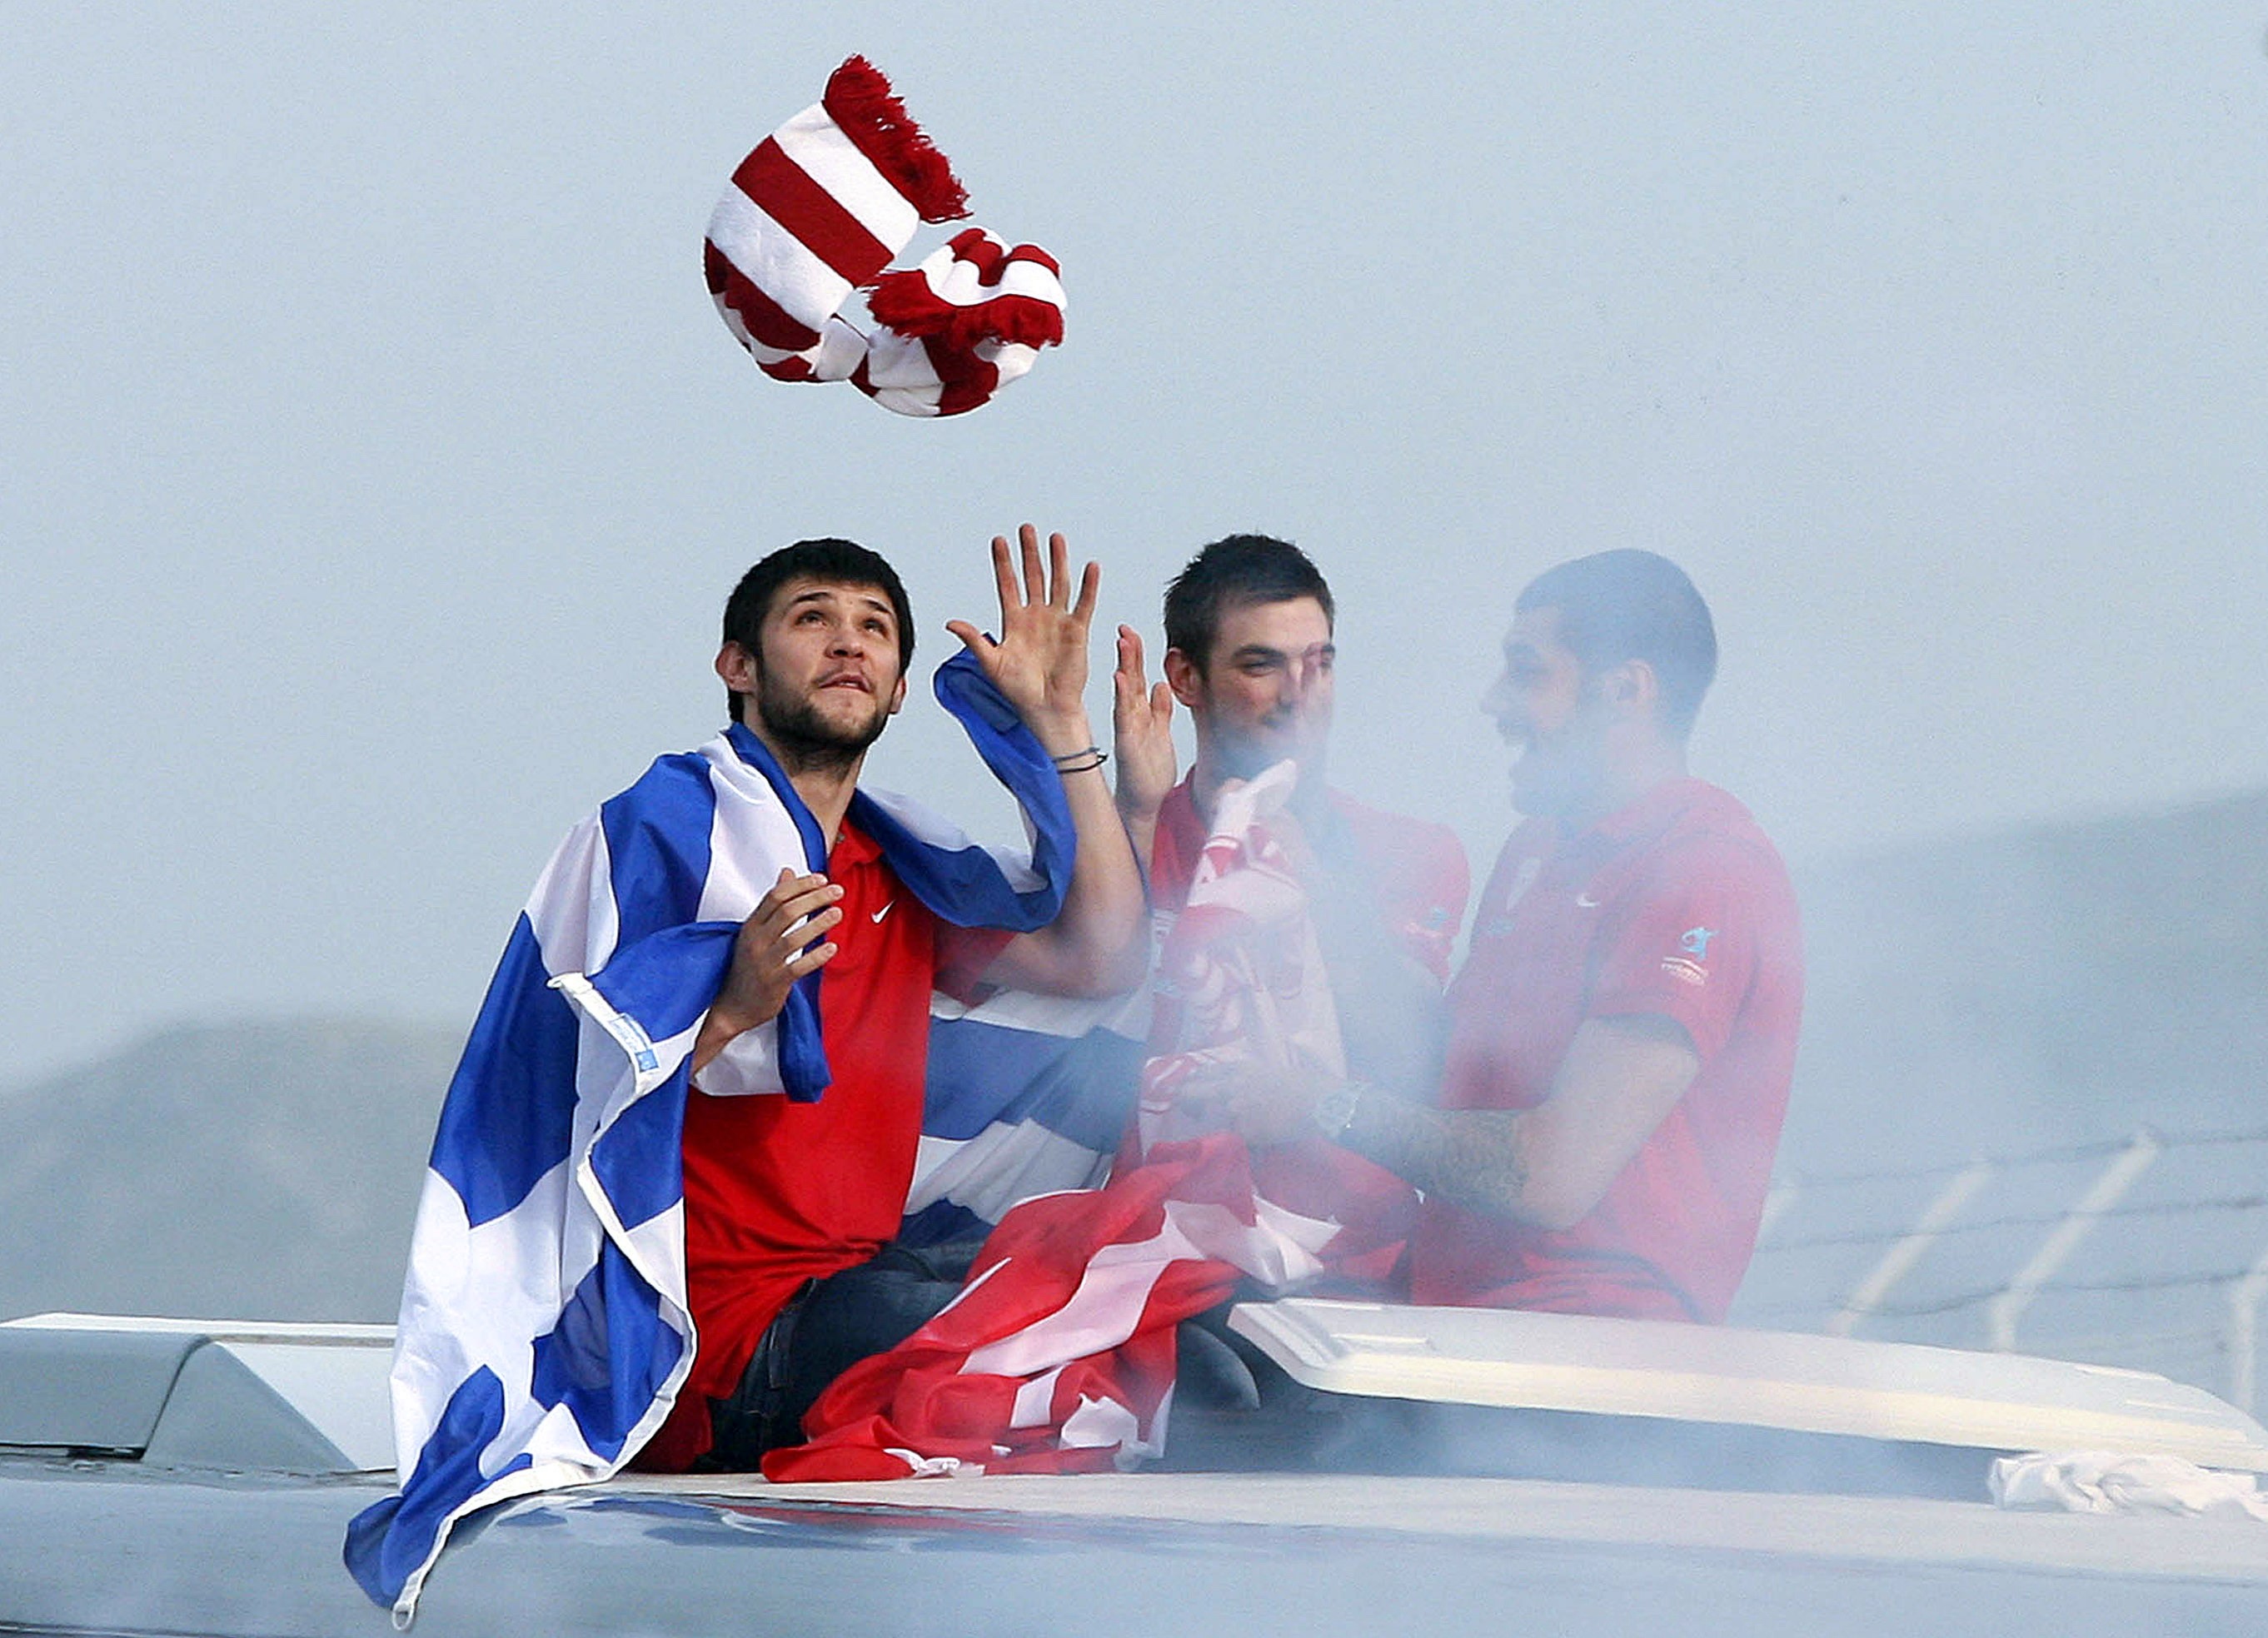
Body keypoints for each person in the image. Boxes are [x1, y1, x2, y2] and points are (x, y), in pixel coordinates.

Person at [635, 525, 1149, 1470]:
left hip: (858, 1285)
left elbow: (1103, 961)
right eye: (812, 618)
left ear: (900, 686)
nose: (847, 643)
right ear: (737, 663)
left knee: (1139, 1297)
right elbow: (566, 1092)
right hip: (723, 1343)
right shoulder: (666, 843)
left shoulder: (902, 869)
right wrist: (732, 1010)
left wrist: (1061, 724)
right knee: (1065, 1352)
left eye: (873, 627)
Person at [1188, 549, 1802, 1324]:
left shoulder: (1704, 867)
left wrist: (1320, 1106)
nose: (1492, 702)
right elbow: (1438, 1072)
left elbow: (1550, 1177)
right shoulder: (1537, 850)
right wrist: (1313, 888)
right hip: (1461, 1328)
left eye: (1525, 671)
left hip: (1585, 1368)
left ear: (1625, 691)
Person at [1110, 534, 1469, 1281]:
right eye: (1260, 664)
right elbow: (1090, 989)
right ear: (1185, 677)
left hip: (1352, 1274)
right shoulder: (1134, 834)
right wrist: (1129, 821)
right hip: (1155, 1254)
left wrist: (1302, 873)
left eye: (1320, 662)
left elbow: (1414, 1048)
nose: (1299, 691)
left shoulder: (1412, 851)